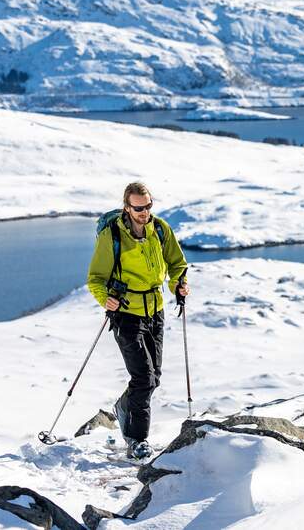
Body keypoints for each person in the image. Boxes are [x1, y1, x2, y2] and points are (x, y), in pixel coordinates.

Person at [87, 182, 189, 459]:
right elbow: (96, 278)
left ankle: (123, 408)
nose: (144, 213)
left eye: (148, 206)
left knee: (153, 378)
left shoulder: (160, 229)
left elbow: (176, 263)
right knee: (143, 378)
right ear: (127, 207)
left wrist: (178, 284)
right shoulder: (113, 235)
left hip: (155, 309)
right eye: (138, 208)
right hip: (126, 313)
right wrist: (105, 298)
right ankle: (136, 439)